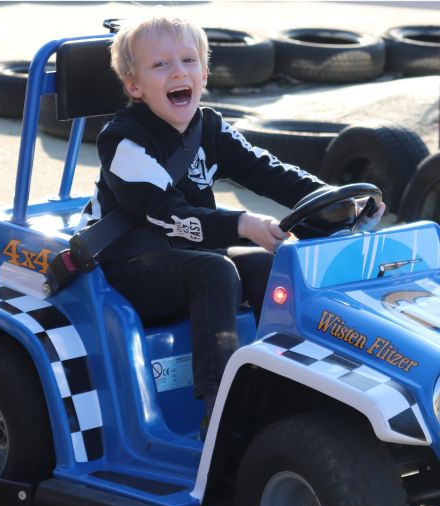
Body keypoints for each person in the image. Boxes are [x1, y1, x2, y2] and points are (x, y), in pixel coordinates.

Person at [88, 13, 383, 431]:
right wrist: (242, 224)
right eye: (161, 65)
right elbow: (166, 212)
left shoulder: (207, 126)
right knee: (217, 271)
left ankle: (291, 381)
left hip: (189, 257)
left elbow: (268, 171)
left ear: (204, 74)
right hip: (132, 265)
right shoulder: (123, 141)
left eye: (188, 61)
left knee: (273, 264)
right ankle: (221, 405)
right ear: (134, 87)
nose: (179, 71)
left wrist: (335, 201)